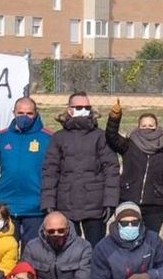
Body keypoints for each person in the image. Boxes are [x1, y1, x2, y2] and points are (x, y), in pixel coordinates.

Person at [41, 92, 120, 246]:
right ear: (69, 110)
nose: (83, 110)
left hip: (95, 206)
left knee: (96, 250)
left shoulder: (100, 136)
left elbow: (111, 169)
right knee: (69, 250)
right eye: (79, 107)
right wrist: (48, 202)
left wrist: (110, 202)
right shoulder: (58, 138)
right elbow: (50, 171)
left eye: (87, 107)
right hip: (65, 204)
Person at [105, 101, 163, 234]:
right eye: (143, 126)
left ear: (157, 127)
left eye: (151, 126)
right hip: (128, 199)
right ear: (138, 127)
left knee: (150, 240)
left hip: (154, 204)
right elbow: (111, 136)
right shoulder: (129, 144)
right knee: (127, 238)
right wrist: (114, 117)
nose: (147, 128)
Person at [0, 97, 52, 247]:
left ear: (36, 113)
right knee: (5, 252)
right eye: (20, 113)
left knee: (32, 255)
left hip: (35, 208)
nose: (24, 117)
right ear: (13, 113)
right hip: (5, 206)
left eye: (29, 113)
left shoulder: (48, 138)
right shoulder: (0, 137)